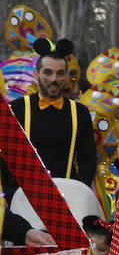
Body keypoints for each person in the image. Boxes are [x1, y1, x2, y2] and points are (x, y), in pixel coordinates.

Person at [2, 39, 98, 209]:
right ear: (36, 74)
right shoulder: (16, 109)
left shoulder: (80, 112)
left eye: (60, 73)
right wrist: (14, 196)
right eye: (48, 72)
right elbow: (7, 160)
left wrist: (76, 194)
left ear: (67, 76)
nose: (54, 79)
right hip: (24, 201)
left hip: (68, 202)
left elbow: (88, 161)